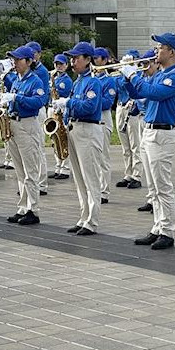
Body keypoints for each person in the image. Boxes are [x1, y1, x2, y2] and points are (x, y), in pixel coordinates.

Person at [123, 33, 175, 250]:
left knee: (163, 185)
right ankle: (158, 226)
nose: (156, 51)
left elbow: (154, 93)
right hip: (150, 131)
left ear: (171, 52)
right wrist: (127, 78)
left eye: (160, 47)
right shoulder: (158, 75)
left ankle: (167, 231)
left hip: (162, 133)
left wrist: (133, 76)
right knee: (154, 187)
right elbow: (140, 95)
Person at [52, 42, 104, 235]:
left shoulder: (93, 82)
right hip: (75, 129)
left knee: (90, 178)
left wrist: (68, 103)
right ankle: (83, 217)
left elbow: (89, 107)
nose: (72, 62)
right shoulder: (79, 81)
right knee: (79, 179)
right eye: (72, 58)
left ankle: (92, 220)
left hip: (88, 130)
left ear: (88, 60)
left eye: (76, 58)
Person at [2, 45, 48, 226]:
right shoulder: (17, 80)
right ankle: (22, 207)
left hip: (27, 124)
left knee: (30, 170)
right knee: (20, 170)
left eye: (18, 59)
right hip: (14, 124)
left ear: (29, 61)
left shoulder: (35, 80)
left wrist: (16, 99)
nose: (14, 63)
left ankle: (33, 209)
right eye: (14, 59)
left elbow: (38, 101)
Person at [91, 47, 117, 204]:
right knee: (93, 158)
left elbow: (107, 103)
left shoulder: (109, 80)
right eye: (94, 58)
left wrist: (91, 100)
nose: (95, 61)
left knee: (103, 158)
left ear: (105, 60)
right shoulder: (92, 79)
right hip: (92, 121)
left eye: (98, 58)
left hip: (103, 119)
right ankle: (95, 188)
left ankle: (104, 191)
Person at [115, 49, 144, 191]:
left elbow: (136, 89)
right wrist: (122, 70)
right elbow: (118, 85)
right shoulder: (123, 73)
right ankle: (128, 173)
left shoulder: (138, 75)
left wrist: (129, 71)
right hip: (120, 106)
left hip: (132, 108)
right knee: (125, 146)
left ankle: (137, 176)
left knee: (135, 144)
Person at [27, 41, 51, 199]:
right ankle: (31, 183)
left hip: (39, 110)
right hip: (28, 112)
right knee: (29, 150)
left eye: (34, 53)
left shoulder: (41, 71)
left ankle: (42, 183)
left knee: (38, 148)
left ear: (39, 54)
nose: (32, 56)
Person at [134, 49, 157, 213]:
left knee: (157, 171)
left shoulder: (156, 79)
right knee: (147, 167)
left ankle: (156, 200)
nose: (145, 66)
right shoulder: (145, 78)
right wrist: (127, 77)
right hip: (144, 121)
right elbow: (132, 93)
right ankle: (151, 198)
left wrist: (133, 76)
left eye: (148, 63)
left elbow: (148, 95)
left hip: (156, 126)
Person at [48, 53, 73, 180]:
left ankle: (66, 167)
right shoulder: (53, 78)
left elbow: (64, 95)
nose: (59, 66)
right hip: (52, 108)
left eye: (61, 64)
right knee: (54, 138)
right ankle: (58, 165)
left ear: (66, 65)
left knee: (62, 137)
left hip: (61, 109)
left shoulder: (67, 80)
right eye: (57, 64)